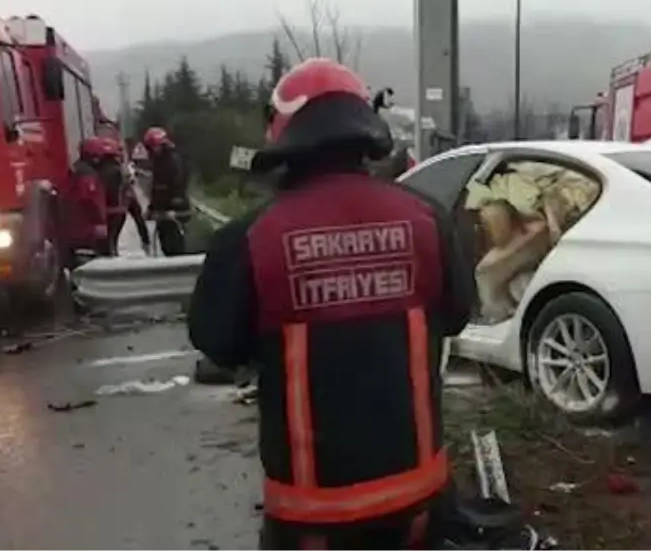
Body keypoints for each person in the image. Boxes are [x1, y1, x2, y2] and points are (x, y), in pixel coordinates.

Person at [186, 58, 475, 551]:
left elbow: (217, 343)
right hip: (420, 501)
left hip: (312, 517)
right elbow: (455, 315)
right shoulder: (427, 218)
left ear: (284, 134)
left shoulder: (250, 237)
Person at [141, 126, 191, 256]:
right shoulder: (159, 162)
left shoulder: (173, 161)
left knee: (175, 247)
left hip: (174, 213)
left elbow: (179, 185)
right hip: (163, 213)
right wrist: (152, 208)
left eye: (152, 147)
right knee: (166, 245)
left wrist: (173, 209)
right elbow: (157, 190)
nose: (151, 151)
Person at [68, 137, 115, 262]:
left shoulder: (76, 169)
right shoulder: (88, 174)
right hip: (87, 229)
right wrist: (99, 222)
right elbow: (89, 200)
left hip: (75, 226)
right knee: (93, 259)